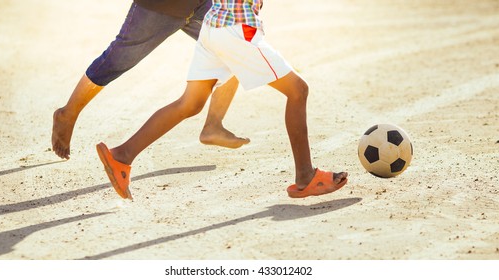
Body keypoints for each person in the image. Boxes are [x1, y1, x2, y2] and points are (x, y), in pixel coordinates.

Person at [96, 0, 348, 200]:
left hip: (214, 25)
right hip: (236, 30)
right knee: (297, 91)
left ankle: (122, 155)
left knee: (190, 104)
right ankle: (306, 177)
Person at [52, 0, 250, 160]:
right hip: (161, 5)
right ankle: (68, 113)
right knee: (118, 59)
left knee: (236, 49)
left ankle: (213, 125)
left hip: (205, 4)